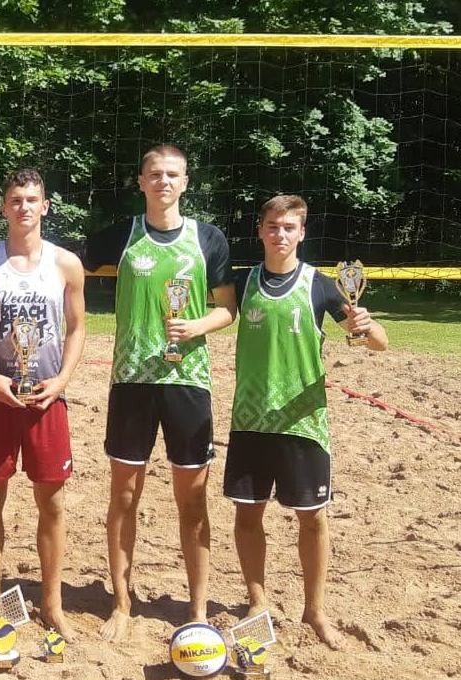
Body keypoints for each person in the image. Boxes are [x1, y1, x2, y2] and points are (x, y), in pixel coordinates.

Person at [83, 144, 237, 640]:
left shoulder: (208, 238)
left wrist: (196, 326)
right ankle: (121, 602)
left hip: (187, 382)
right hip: (131, 381)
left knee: (192, 501)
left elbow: (227, 309)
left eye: (172, 174)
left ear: (185, 182)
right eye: (155, 174)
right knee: (124, 495)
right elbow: (62, 259)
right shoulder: (122, 235)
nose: (163, 181)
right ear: (141, 181)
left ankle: (197, 609)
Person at [225, 195, 387, 648]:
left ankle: (314, 610)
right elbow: (211, 311)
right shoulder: (243, 282)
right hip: (251, 420)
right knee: (247, 513)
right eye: (273, 226)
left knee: (312, 519)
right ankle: (257, 600)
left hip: (304, 423)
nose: (280, 234)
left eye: (289, 227)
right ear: (260, 230)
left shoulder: (321, 285)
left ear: (302, 232)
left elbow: (380, 343)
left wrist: (366, 326)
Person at [0, 168, 86, 641]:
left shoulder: (66, 263)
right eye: (15, 200)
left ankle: (52, 603)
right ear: (3, 207)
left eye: (32, 200)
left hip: (47, 395)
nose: (24, 207)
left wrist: (62, 380)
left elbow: (78, 328)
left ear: (45, 206)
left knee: (51, 502)